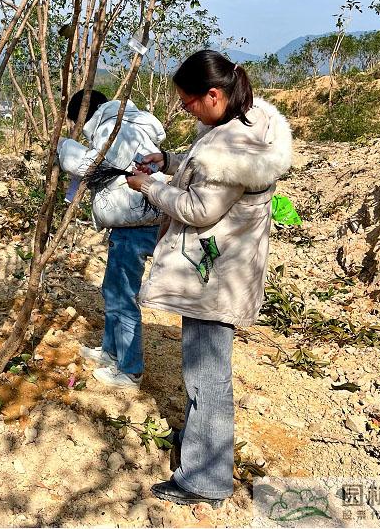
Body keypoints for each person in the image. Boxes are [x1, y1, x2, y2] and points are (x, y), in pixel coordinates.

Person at [125, 50, 292, 507]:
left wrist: (150, 186)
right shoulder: (252, 123)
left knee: (206, 374)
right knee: (205, 366)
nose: (185, 109)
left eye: (189, 102)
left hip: (212, 273)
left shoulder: (228, 150)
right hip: (229, 266)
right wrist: (171, 159)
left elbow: (200, 208)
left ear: (214, 95)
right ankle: (201, 437)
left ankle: (205, 477)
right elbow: (207, 169)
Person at [57, 89, 166, 389]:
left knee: (121, 294)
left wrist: (64, 146)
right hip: (142, 217)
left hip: (134, 223)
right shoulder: (134, 121)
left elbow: (85, 166)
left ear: (86, 114)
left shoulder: (113, 127)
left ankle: (130, 370)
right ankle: (110, 351)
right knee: (113, 289)